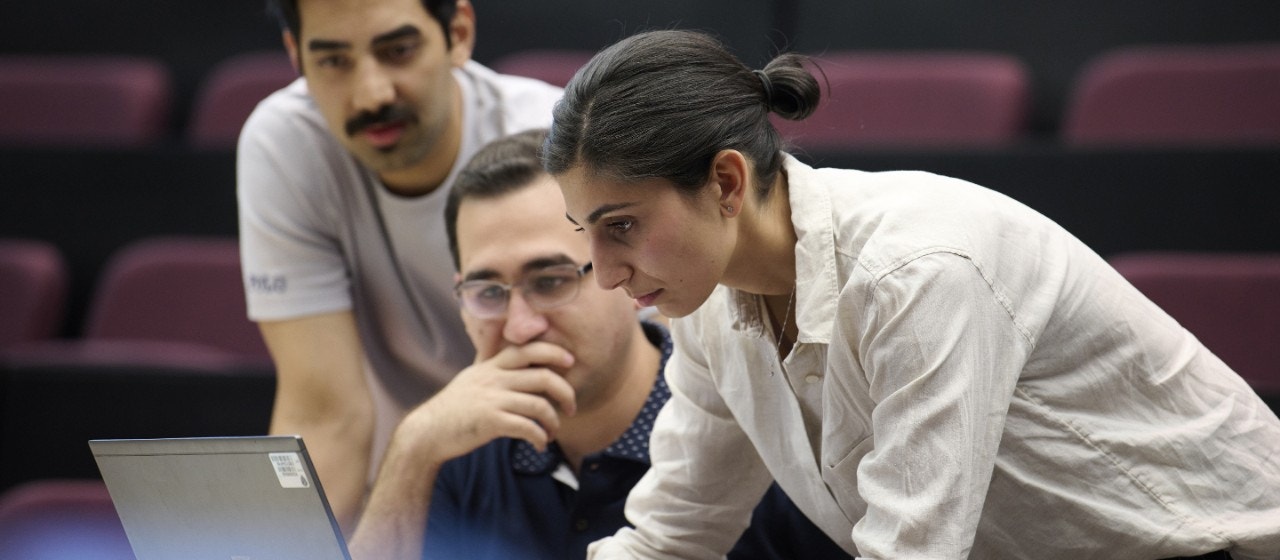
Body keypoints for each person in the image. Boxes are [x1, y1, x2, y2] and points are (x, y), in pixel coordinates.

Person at [543, 29, 1280, 560]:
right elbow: (673, 537)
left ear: (727, 182)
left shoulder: (919, 268)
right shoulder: (705, 304)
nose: (605, 274)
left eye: (624, 227)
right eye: (589, 234)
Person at [346, 129, 852, 560]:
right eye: (488, 293)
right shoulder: (458, 444)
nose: (519, 327)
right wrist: (412, 449)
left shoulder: (747, 411)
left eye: (550, 281)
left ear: (624, 274)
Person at [236, 0, 562, 531]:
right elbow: (325, 416)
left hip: (562, 471)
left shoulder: (555, 142)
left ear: (458, 32)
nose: (372, 94)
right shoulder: (284, 143)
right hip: (402, 478)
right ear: (295, 55)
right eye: (334, 61)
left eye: (398, 51)